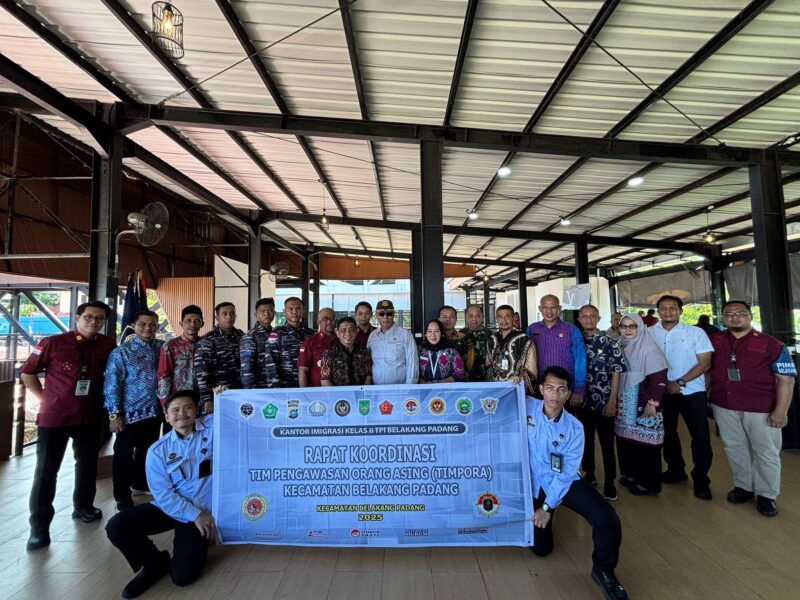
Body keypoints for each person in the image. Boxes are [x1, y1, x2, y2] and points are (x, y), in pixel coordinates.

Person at [21, 300, 116, 551]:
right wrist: (44, 399)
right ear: (77, 317)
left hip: (90, 415)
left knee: (87, 464)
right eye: (89, 317)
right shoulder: (53, 342)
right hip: (55, 417)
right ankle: (39, 527)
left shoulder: (107, 345)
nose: (93, 322)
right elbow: (27, 372)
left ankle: (84, 506)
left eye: (99, 319)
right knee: (46, 471)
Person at [527, 366, 628, 600]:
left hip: (564, 482)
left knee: (607, 519)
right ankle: (538, 519)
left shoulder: (574, 427)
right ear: (541, 389)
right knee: (541, 550)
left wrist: (546, 507)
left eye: (561, 390)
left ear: (568, 394)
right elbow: (497, 399)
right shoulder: (527, 407)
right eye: (550, 388)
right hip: (533, 483)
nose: (554, 395)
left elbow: (565, 473)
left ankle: (604, 569)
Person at [105, 390, 215, 598]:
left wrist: (222, 397)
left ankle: (191, 546)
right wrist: (194, 515)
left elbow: (235, 414)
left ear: (197, 410)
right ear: (166, 417)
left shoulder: (213, 429)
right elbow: (163, 495)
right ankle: (154, 563)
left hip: (202, 510)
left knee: (183, 577)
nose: (181, 414)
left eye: (188, 407)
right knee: (117, 525)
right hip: (175, 509)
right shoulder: (158, 451)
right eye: (175, 410)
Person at [709, 301, 797, 517]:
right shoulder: (715, 340)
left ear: (749, 315)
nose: (735, 317)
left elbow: (785, 380)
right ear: (723, 317)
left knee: (766, 451)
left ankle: (767, 494)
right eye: (729, 314)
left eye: (740, 313)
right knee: (733, 446)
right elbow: (706, 369)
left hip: (761, 407)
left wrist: (781, 410)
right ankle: (743, 487)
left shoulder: (771, 344)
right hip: (724, 404)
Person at [649, 294, 714, 500]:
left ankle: (701, 479)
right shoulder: (649, 333)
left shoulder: (696, 333)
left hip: (691, 391)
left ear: (681, 311)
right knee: (667, 433)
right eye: (664, 308)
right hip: (662, 392)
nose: (668, 311)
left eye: (673, 308)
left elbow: (704, 363)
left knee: (700, 436)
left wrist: (680, 382)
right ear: (658, 310)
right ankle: (675, 470)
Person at [104, 310, 165, 511]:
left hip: (154, 412)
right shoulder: (122, 352)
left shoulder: (161, 348)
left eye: (152, 324)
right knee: (123, 454)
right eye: (142, 324)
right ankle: (122, 496)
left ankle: (140, 484)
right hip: (129, 414)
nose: (148, 328)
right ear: (133, 326)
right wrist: (115, 414)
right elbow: (112, 385)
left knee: (147, 452)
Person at [577, 305, 627, 501]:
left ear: (598, 318)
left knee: (607, 443)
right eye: (584, 316)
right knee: (585, 440)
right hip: (581, 400)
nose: (588, 319)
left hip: (604, 399)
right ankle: (589, 474)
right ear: (579, 318)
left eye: (592, 316)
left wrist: (612, 400)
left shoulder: (609, 342)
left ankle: (609, 482)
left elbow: (616, 371)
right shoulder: (576, 340)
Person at [616, 314, 669, 496]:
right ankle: (631, 475)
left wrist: (652, 403)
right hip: (625, 401)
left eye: (633, 326)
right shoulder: (620, 345)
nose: (628, 330)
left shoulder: (648, 347)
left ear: (640, 327)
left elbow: (659, 378)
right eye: (624, 326)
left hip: (644, 402)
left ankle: (649, 484)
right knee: (627, 440)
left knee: (646, 444)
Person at [527, 294, 586, 404]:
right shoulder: (532, 329)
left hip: (564, 388)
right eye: (545, 307)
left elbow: (580, 360)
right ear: (540, 309)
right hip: (538, 387)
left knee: (565, 418)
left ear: (559, 309)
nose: (549, 311)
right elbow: (525, 358)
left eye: (553, 307)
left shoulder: (572, 330)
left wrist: (578, 389)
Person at [194, 302, 243, 413]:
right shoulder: (208, 339)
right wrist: (207, 399)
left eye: (232, 314)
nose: (229, 317)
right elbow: (201, 372)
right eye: (224, 314)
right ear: (217, 317)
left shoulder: (241, 336)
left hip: (239, 393)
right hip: (218, 394)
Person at [157, 305, 203, 405]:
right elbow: (164, 376)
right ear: (181, 324)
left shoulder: (207, 344)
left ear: (202, 324)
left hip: (203, 399)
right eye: (188, 321)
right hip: (179, 400)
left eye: (197, 321)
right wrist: (165, 403)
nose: (192, 324)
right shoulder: (170, 346)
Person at [265, 296, 314, 387]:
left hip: (308, 384)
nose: (294, 312)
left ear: (303, 311)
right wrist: (275, 388)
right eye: (290, 309)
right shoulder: (277, 334)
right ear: (284, 312)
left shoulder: (310, 333)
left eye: (298, 308)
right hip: (286, 386)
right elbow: (271, 363)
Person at [487, 305, 537, 394]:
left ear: (514, 318)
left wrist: (519, 378)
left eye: (507, 316)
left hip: (516, 387)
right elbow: (489, 365)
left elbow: (531, 369)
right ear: (496, 318)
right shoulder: (492, 339)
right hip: (495, 388)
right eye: (500, 316)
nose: (504, 320)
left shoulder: (524, 339)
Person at [367, 299, 419, 384]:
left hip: (399, 390)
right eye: (381, 314)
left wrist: (409, 389)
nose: (385, 317)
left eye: (389, 313)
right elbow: (368, 363)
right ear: (376, 315)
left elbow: (412, 363)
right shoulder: (372, 336)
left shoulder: (405, 335)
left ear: (394, 314)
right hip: (377, 390)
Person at [320, 317, 373, 386]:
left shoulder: (364, 351)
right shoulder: (329, 353)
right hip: (337, 395)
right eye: (343, 330)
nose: (348, 334)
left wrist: (363, 394)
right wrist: (336, 396)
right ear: (337, 333)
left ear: (357, 331)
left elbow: (368, 376)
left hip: (360, 394)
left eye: (351, 330)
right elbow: (325, 380)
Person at [240, 297, 276, 389]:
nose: (266, 314)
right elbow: (246, 367)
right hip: (260, 387)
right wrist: (251, 392)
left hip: (275, 386)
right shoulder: (250, 336)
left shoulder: (276, 334)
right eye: (262, 311)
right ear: (256, 314)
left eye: (270, 311)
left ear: (274, 313)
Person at [299, 307, 338, 387]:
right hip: (317, 392)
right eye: (325, 319)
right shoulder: (310, 343)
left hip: (340, 390)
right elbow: (303, 371)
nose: (329, 322)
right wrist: (304, 394)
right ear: (318, 322)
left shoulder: (341, 341)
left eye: (332, 319)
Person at [418, 319, 466, 383]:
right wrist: (425, 384)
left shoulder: (451, 351)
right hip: (424, 390)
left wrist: (441, 383)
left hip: (446, 390)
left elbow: (460, 374)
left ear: (442, 333)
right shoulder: (419, 351)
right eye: (429, 331)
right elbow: (413, 374)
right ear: (425, 334)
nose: (433, 334)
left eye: (437, 331)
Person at [438, 305, 475, 378]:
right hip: (437, 382)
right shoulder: (433, 338)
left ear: (456, 319)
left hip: (460, 381)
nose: (448, 320)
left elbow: (470, 363)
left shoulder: (465, 338)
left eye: (452, 317)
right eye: (445, 317)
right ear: (439, 319)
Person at [462, 304, 490, 381]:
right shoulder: (459, 336)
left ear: (482, 317)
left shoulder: (491, 336)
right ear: (466, 318)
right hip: (466, 379)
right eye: (471, 316)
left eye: (478, 316)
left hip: (488, 379)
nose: (474, 319)